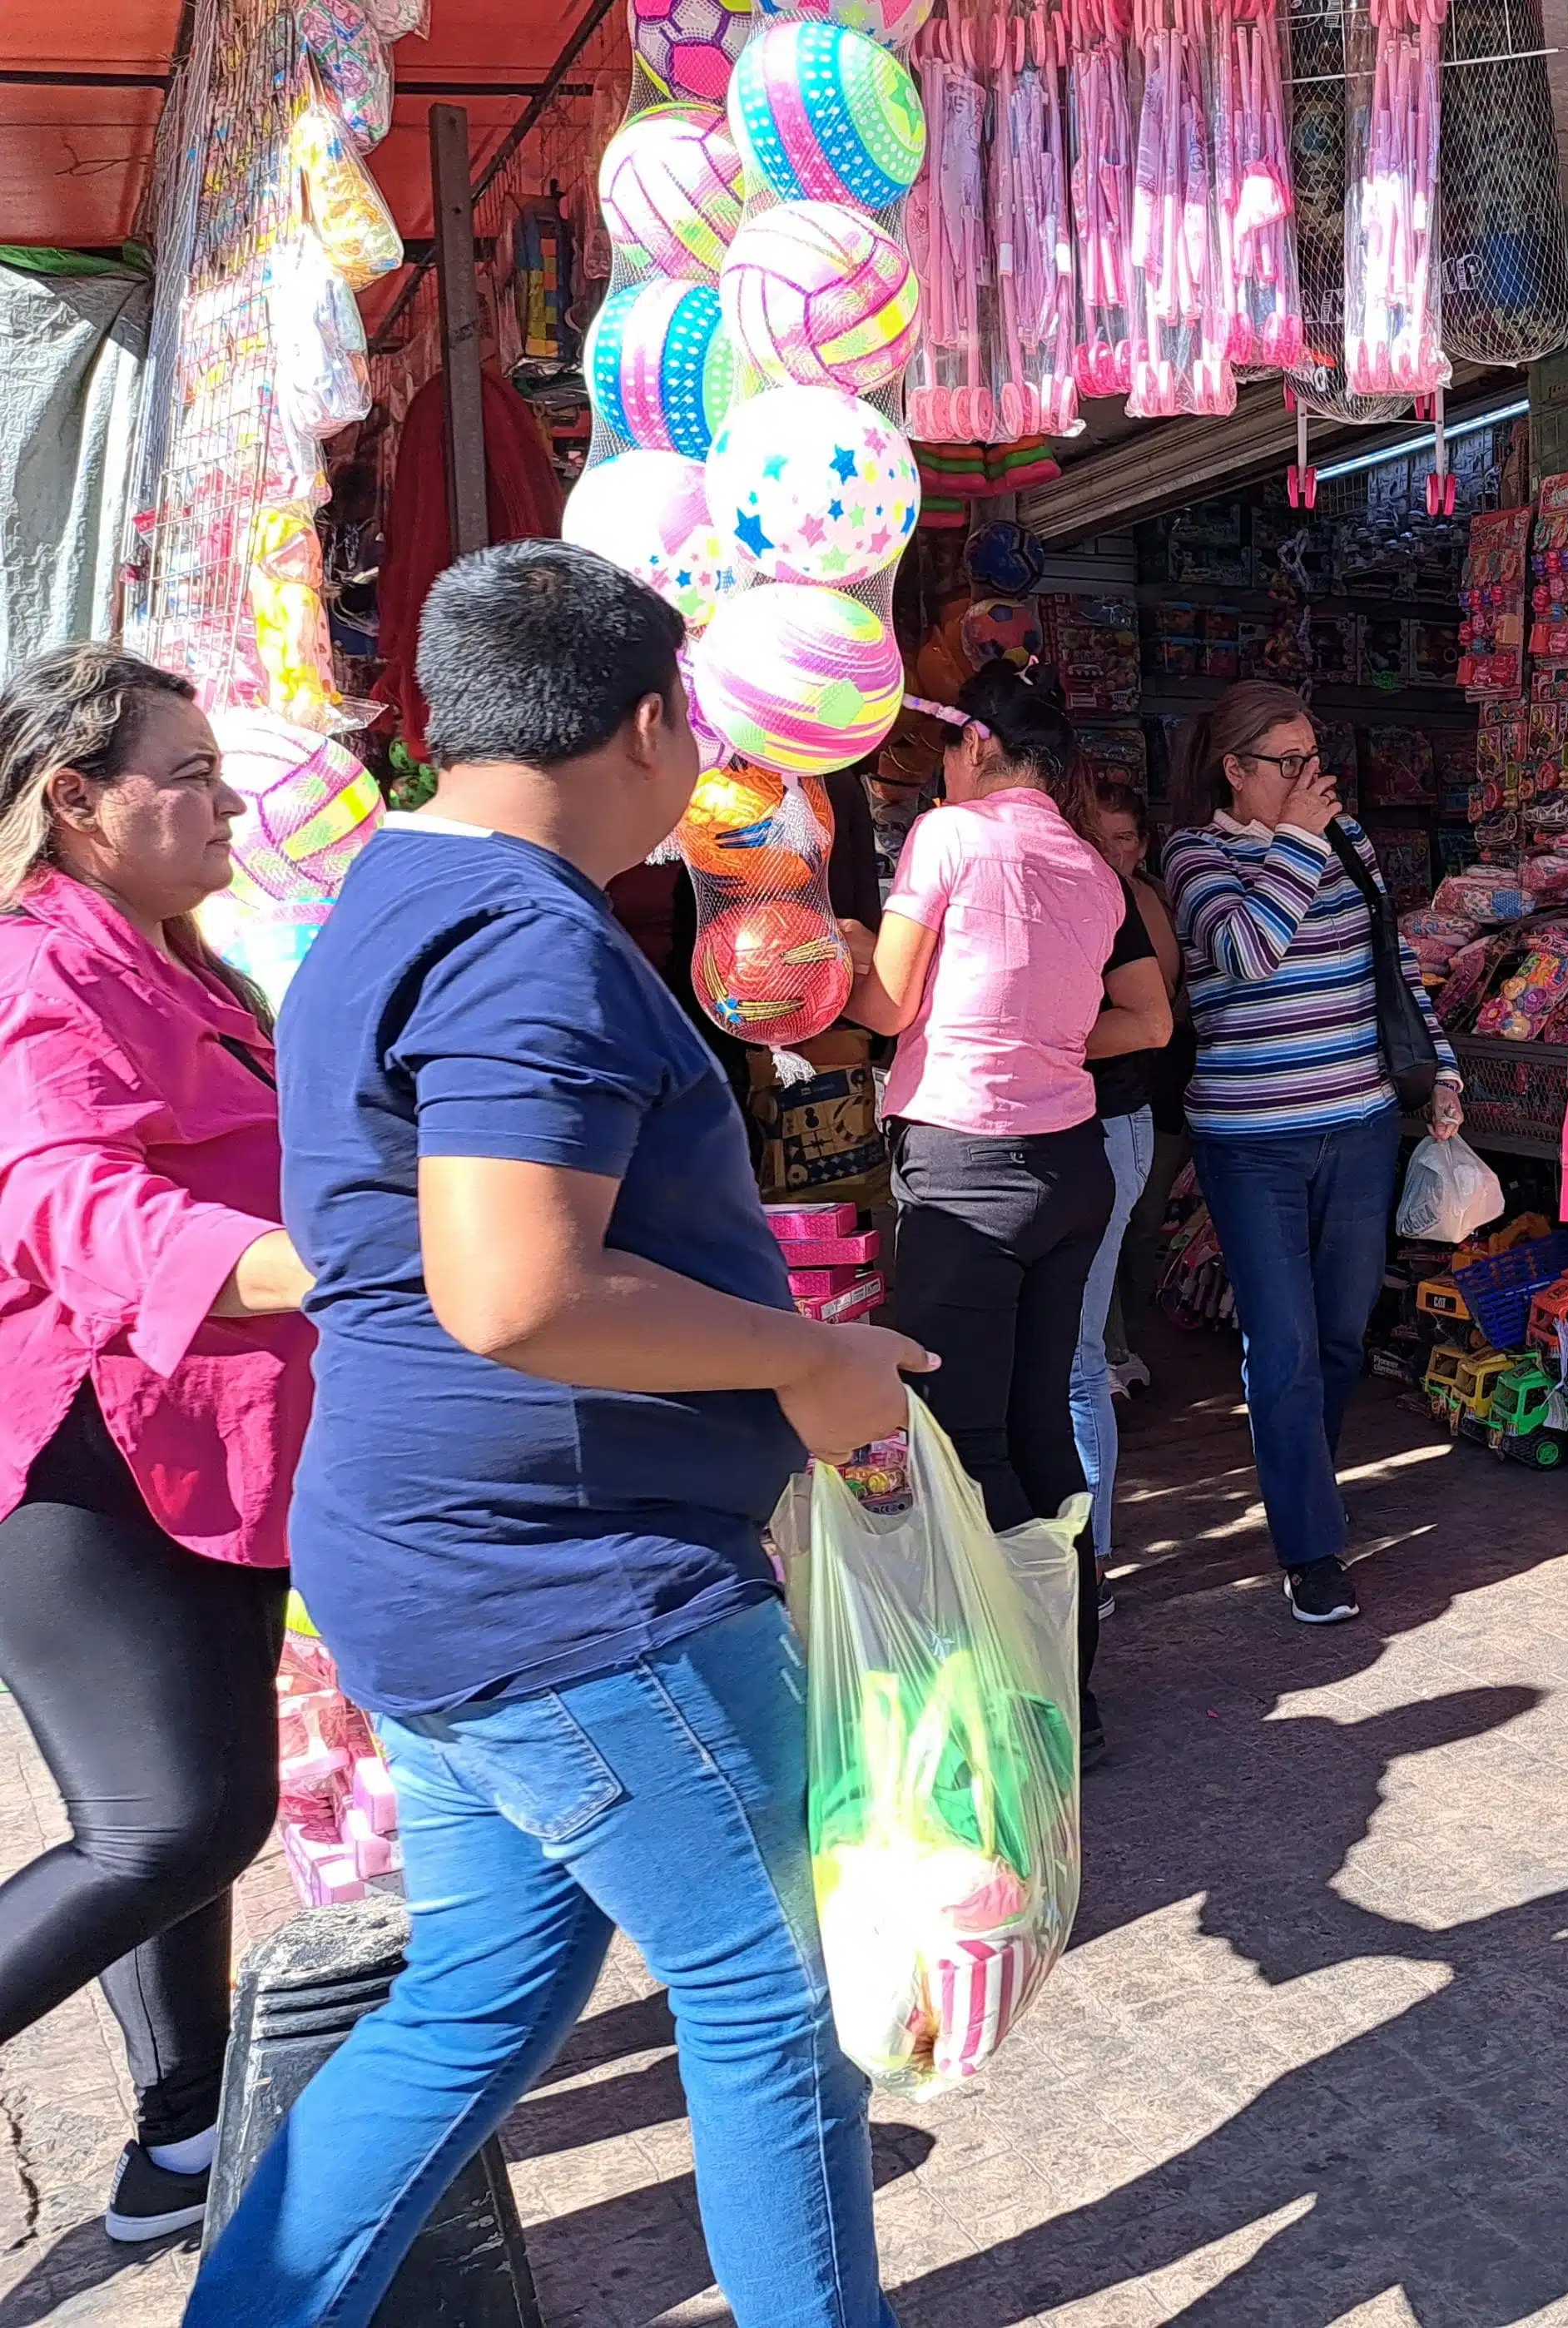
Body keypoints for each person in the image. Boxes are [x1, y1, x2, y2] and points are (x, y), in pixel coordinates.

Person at [196, 542, 924, 2328]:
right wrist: (800, 1366)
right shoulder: (528, 941)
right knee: (773, 1996)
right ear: (652, 724)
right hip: (569, 1587)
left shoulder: (393, 888)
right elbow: (515, 1290)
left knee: (477, 1997)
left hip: (435, 1560)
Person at [0, 648, 313, 2244]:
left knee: (187, 1809)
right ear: (75, 800)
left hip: (200, 1436)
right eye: (187, 771)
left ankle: (181, 2135)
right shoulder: (32, 969)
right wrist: (323, 1261)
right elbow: (66, 1203)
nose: (231, 795)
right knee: (171, 1820)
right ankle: (180, 2120)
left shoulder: (180, 966)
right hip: (70, 1449)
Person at [841, 658, 1149, 1744]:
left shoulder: (950, 840)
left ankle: (994, 1700)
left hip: (967, 1166)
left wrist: (823, 960)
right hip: (1069, 1167)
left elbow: (886, 1004)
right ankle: (1069, 1687)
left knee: (962, 1439)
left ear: (973, 746)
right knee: (1039, 1428)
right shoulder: (1090, 867)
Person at [1159, 683, 1462, 1627]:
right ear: (1234, 770)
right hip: (1250, 1142)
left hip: (1360, 1123)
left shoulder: (1351, 842)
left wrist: (1440, 1069)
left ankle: (1307, 1481)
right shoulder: (1192, 855)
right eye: (1286, 763)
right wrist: (1294, 839)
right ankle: (1310, 1544)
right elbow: (1248, 952)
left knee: (1338, 1333)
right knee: (1281, 1344)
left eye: (1312, 758)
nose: (1310, 777)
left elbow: (1394, 966)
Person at [1055, 766, 1182, 1602]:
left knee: (1073, 1360)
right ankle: (1075, 1553)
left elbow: (1151, 1014)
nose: (1110, 850)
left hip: (1112, 1118)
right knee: (1064, 1353)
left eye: (1126, 836)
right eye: (1097, 834)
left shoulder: (1131, 905)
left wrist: (1030, 1032)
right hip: (1062, 1127)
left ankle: (1088, 1561)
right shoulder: (1061, 886)